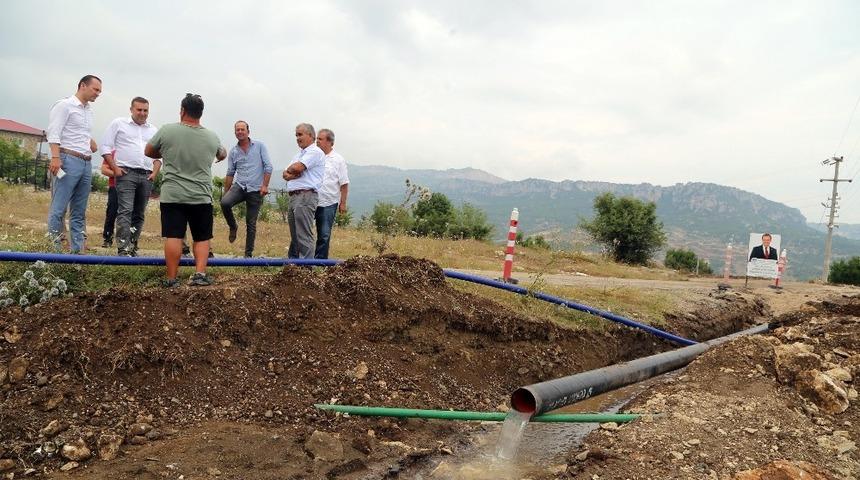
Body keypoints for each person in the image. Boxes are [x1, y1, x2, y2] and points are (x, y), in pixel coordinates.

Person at [145, 94, 226, 287]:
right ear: (200, 113)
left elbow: (148, 151)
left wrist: (166, 152)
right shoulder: (211, 136)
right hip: (201, 196)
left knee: (174, 236)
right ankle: (199, 275)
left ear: (182, 111)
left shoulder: (167, 130)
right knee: (202, 237)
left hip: (173, 194)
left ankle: (172, 279)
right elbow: (222, 153)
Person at [46, 74, 102, 253]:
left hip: (85, 162)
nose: (98, 94)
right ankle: (55, 250)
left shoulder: (88, 110)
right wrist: (55, 158)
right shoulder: (64, 105)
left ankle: (77, 252)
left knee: (79, 211)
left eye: (99, 91)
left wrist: (90, 141)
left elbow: (77, 131)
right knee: (59, 208)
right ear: (83, 86)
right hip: (68, 159)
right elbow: (54, 132)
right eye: (96, 89)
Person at [101, 97, 160, 256]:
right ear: (131, 109)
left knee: (139, 213)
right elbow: (105, 146)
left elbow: (158, 155)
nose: (142, 113)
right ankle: (123, 248)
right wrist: (115, 168)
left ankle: (133, 245)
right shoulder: (119, 124)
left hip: (146, 175)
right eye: (139, 110)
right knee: (125, 211)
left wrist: (155, 173)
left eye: (145, 110)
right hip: (126, 173)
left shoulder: (153, 130)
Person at [220, 120, 272, 257]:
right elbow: (230, 173)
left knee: (251, 223)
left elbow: (268, 167)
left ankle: (248, 255)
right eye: (237, 130)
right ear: (235, 133)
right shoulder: (233, 152)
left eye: (242, 129)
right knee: (224, 203)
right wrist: (226, 192)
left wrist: (265, 185)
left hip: (256, 189)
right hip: (240, 186)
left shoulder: (259, 146)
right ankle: (233, 226)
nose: (240, 132)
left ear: (248, 131)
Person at [282, 123, 325, 259]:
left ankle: (306, 269)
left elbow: (297, 168)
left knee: (304, 235)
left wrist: (294, 171)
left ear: (311, 136)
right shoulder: (299, 154)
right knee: (295, 236)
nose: (297, 138)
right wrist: (293, 172)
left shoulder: (315, 152)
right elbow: (285, 174)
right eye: (296, 135)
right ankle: (295, 270)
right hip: (295, 197)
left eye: (300, 134)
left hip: (305, 196)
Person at [314, 128, 349, 259]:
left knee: (324, 234)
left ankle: (320, 262)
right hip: (311, 200)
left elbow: (344, 183)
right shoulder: (313, 156)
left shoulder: (338, 160)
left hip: (328, 202)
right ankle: (301, 261)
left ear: (329, 142)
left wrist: (343, 203)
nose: (317, 141)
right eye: (317, 138)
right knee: (303, 232)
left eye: (320, 139)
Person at [100, 157, 118, 247]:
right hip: (115, 186)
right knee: (111, 213)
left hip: (132, 188)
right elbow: (104, 170)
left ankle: (127, 241)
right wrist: (118, 175)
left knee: (130, 214)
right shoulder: (113, 153)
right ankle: (107, 238)